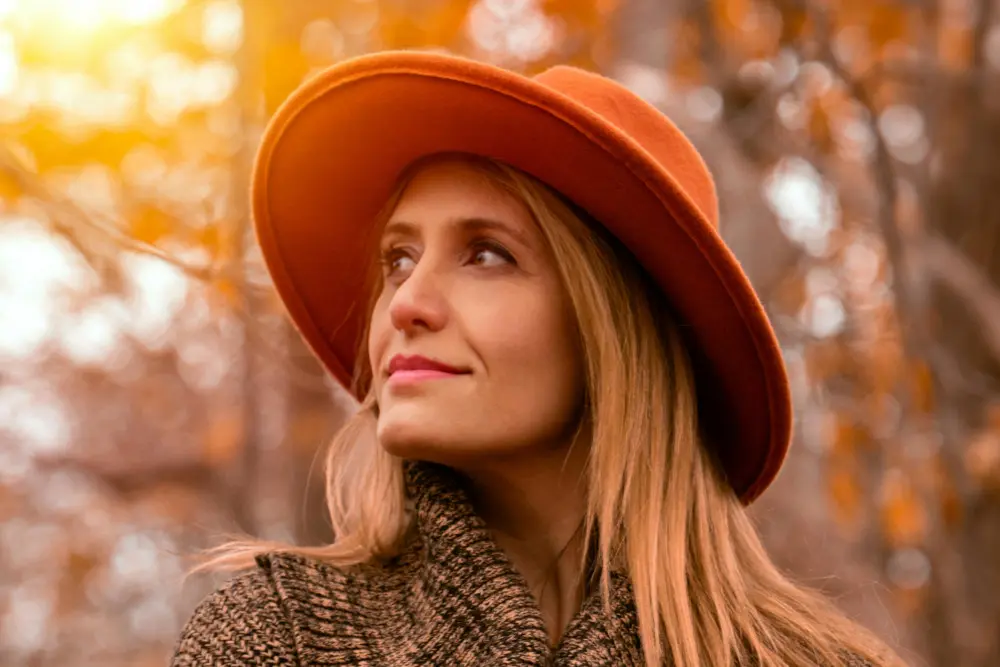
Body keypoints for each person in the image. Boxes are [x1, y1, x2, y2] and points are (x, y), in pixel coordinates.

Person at [170, 51, 904, 667]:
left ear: (611, 330)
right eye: (398, 258)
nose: (406, 303)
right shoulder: (278, 636)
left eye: (485, 254)